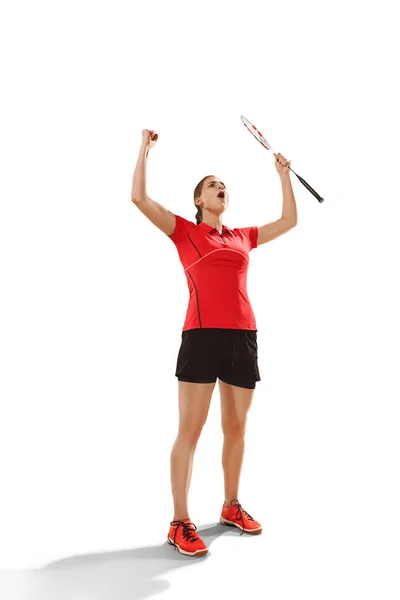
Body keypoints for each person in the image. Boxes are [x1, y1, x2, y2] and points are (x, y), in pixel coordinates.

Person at [131, 128, 297, 557]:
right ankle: (179, 522)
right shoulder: (184, 231)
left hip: (243, 334)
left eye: (223, 186)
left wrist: (284, 176)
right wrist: (143, 151)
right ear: (199, 201)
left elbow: (289, 221)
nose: (220, 188)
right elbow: (139, 199)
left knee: (236, 427)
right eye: (211, 185)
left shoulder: (242, 235)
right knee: (191, 429)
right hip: (201, 336)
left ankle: (230, 505)